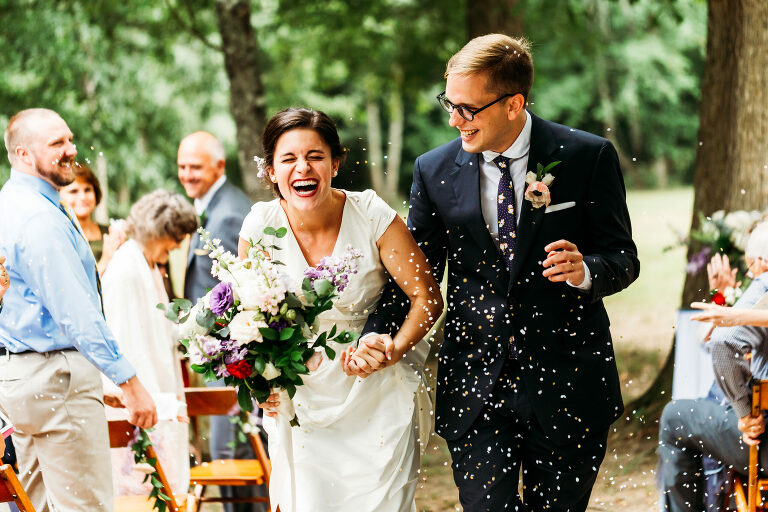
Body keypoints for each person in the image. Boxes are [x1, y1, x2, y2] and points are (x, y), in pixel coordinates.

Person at [363, 34, 640, 511]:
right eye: (449, 104)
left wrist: (585, 271)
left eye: (467, 108)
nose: (454, 119)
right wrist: (377, 333)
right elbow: (416, 272)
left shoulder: (586, 156)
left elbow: (623, 258)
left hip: (568, 382)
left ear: (514, 104)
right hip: (477, 388)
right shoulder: (434, 170)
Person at [240, 108, 443, 512]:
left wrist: (393, 348)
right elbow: (246, 319)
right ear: (271, 171)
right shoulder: (259, 226)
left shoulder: (371, 215)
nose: (304, 168)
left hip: (377, 395)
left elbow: (427, 296)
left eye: (315, 156)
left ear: (335, 163)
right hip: (299, 399)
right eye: (289, 159)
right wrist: (257, 381)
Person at [0, 108, 157, 512]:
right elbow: (76, 312)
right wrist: (129, 382)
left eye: (70, 139)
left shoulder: (12, 201)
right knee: (87, 507)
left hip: (22, 378)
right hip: (57, 379)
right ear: (22, 154)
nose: (71, 150)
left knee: (39, 506)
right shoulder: (38, 218)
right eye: (57, 144)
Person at [177, 131, 262, 511]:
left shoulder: (227, 214)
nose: (187, 175)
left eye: (195, 167)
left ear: (219, 166)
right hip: (221, 359)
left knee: (236, 457)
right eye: (181, 166)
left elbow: (237, 297)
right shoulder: (213, 204)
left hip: (233, 362)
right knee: (230, 455)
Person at [659, 222, 768, 510]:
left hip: (762, 443)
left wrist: (745, 415)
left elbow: (720, 344)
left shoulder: (763, 287)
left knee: (674, 417)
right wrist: (727, 299)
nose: (748, 274)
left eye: (749, 266)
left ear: (760, 263)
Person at [101, 189, 198, 498]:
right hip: (141, 401)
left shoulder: (149, 267)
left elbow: (162, 329)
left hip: (159, 389)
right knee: (143, 492)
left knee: (163, 487)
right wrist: (158, 404)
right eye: (177, 236)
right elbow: (127, 344)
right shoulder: (126, 271)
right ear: (161, 232)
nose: (178, 245)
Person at [60, 161, 126, 274]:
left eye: (87, 190)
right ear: (59, 196)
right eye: (73, 191)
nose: (83, 197)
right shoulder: (61, 238)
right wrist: (106, 259)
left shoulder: (110, 233)